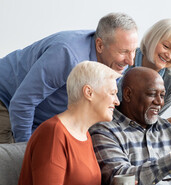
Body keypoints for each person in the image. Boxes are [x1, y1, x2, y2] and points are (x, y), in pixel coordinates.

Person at [0, 62, 163, 185]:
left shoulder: (85, 135)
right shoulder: (54, 133)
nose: (117, 101)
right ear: (89, 93)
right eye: (112, 93)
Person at [0, 12, 138, 143]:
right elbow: (22, 103)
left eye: (133, 51)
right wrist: (26, 150)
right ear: (100, 45)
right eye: (123, 52)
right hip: (5, 98)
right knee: (13, 161)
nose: (130, 61)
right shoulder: (66, 55)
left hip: (37, 117)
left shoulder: (117, 64)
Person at [117, 18, 171, 115]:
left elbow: (152, 120)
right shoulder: (124, 60)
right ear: (152, 38)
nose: (169, 55)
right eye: (166, 46)